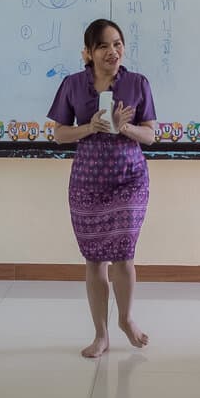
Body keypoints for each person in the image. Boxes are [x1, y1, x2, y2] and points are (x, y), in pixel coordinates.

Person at [47, 18, 159, 359]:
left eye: (117, 44)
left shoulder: (138, 83)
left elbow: (151, 135)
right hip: (88, 180)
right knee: (94, 258)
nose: (113, 52)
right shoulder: (72, 85)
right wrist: (88, 127)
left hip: (129, 177)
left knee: (124, 253)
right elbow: (58, 133)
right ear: (88, 52)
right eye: (104, 46)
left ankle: (126, 320)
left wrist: (126, 129)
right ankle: (101, 334)